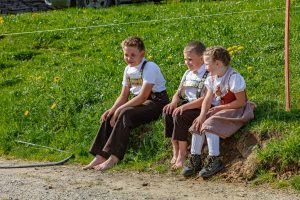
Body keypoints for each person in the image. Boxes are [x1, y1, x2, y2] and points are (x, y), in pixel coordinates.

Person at [83, 36, 169, 171]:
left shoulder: (149, 67)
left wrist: (120, 109)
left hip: (155, 102)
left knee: (124, 114)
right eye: (126, 55)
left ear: (142, 53)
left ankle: (114, 157)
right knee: (108, 115)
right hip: (138, 101)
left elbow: (143, 96)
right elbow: (123, 95)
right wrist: (112, 109)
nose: (129, 58)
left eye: (133, 55)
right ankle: (100, 156)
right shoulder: (128, 70)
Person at [184, 46, 256, 178]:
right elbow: (207, 99)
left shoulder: (234, 78)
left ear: (217, 63)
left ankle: (215, 159)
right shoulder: (212, 78)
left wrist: (219, 108)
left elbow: (241, 102)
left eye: (206, 64)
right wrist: (201, 115)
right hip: (222, 108)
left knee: (211, 124)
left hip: (236, 110)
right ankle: (195, 158)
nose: (205, 67)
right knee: (199, 123)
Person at [163, 41, 208, 170]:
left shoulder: (207, 74)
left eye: (190, 59)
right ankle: (175, 149)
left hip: (200, 107)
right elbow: (178, 93)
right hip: (187, 103)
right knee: (168, 112)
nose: (187, 62)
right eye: (185, 59)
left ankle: (182, 154)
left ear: (201, 58)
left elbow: (205, 98)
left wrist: (184, 107)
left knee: (180, 115)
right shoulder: (187, 73)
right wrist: (174, 102)